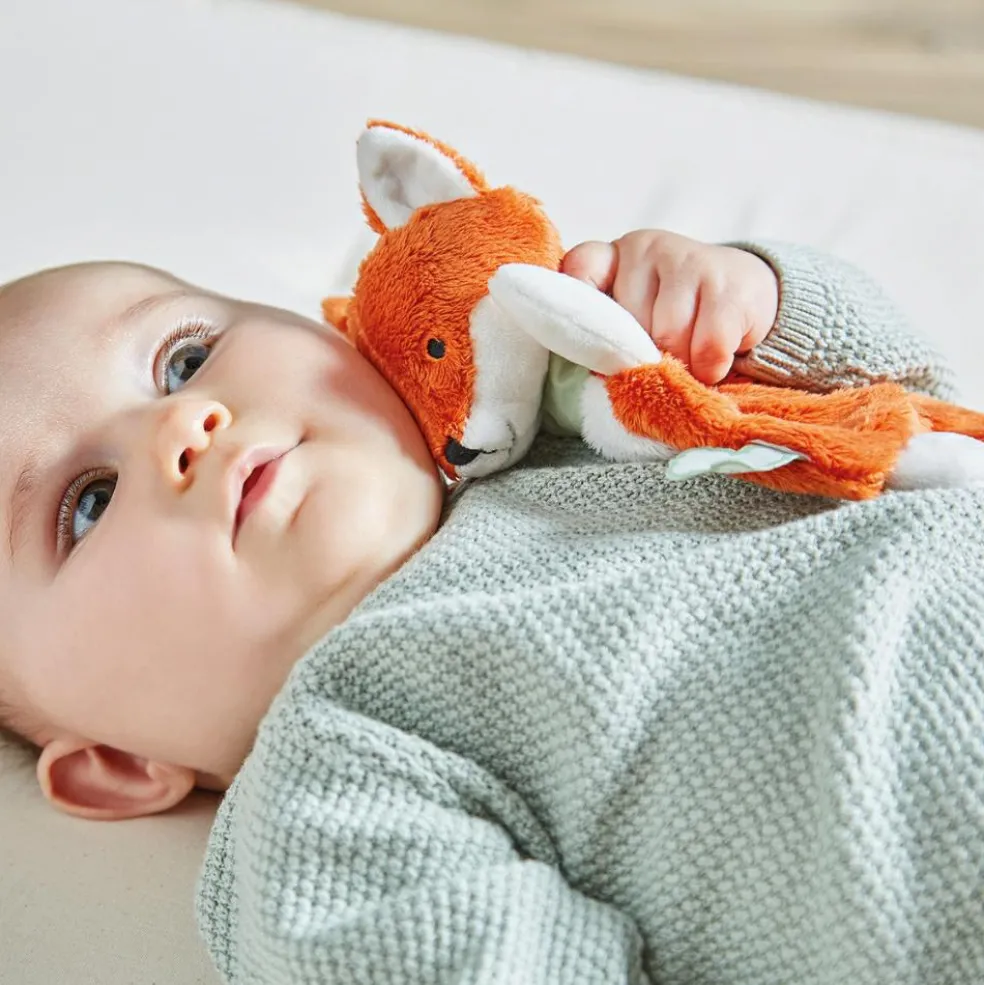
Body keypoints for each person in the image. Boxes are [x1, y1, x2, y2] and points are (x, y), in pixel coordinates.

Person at [1, 231, 979, 984]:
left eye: (184, 358)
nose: (183, 423)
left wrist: (750, 302)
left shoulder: (577, 400)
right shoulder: (330, 790)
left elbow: (906, 413)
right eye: (89, 503)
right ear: (121, 764)